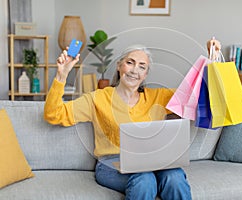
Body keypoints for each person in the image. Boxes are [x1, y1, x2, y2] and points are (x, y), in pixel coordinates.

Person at [44, 38, 221, 200]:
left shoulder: (158, 97)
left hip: (153, 161)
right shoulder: (97, 98)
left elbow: (195, 96)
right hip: (111, 163)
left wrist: (211, 61)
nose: (135, 70)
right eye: (130, 63)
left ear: (145, 75)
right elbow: (54, 114)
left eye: (142, 66)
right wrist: (61, 75)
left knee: (174, 176)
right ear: (120, 66)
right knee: (145, 180)